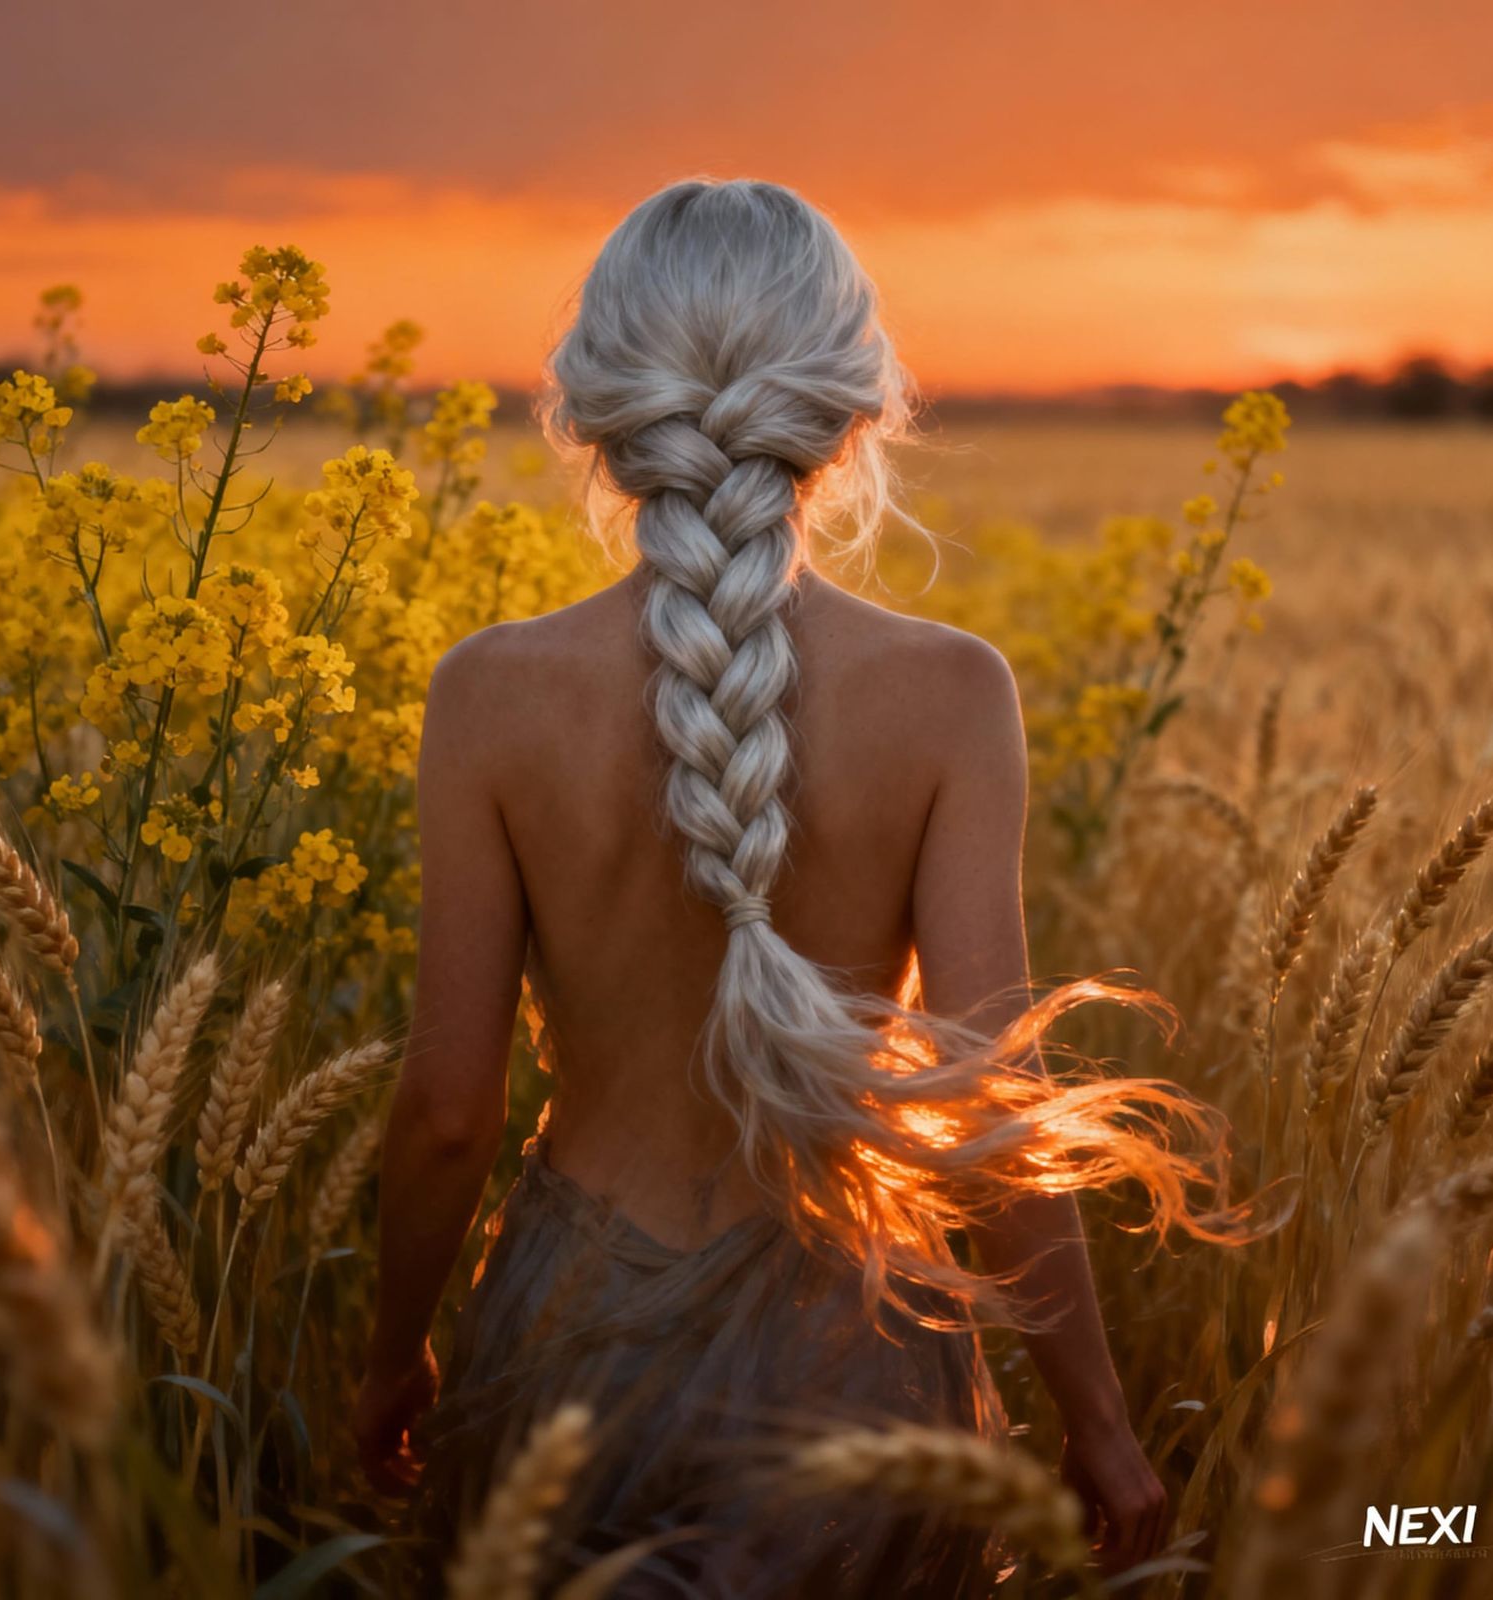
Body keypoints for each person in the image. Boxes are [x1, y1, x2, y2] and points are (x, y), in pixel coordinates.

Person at [354, 178, 1234, 1596]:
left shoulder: (490, 699)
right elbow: (986, 1105)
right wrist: (1103, 1427)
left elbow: (450, 1111)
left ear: (595, 406)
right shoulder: (951, 698)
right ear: (852, 409)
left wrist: (397, 1361)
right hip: (855, 1356)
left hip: (567, 1349)